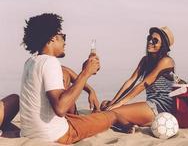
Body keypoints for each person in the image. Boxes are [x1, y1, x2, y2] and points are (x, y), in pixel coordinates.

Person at [20, 13, 132, 144]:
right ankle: (130, 126)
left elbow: (64, 76)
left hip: (28, 132)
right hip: (56, 135)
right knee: (112, 116)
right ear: (52, 38)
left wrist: (85, 77)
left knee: (82, 117)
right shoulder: (50, 63)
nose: (65, 42)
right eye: (63, 36)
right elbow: (60, 109)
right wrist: (86, 73)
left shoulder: (31, 62)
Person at [100, 26, 175, 126]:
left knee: (111, 112)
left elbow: (143, 84)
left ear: (163, 46)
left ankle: (125, 126)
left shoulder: (166, 61)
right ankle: (126, 124)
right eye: (149, 38)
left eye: (155, 40)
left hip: (161, 107)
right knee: (107, 106)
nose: (150, 42)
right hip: (151, 104)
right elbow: (131, 81)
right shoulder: (145, 60)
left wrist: (120, 103)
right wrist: (114, 101)